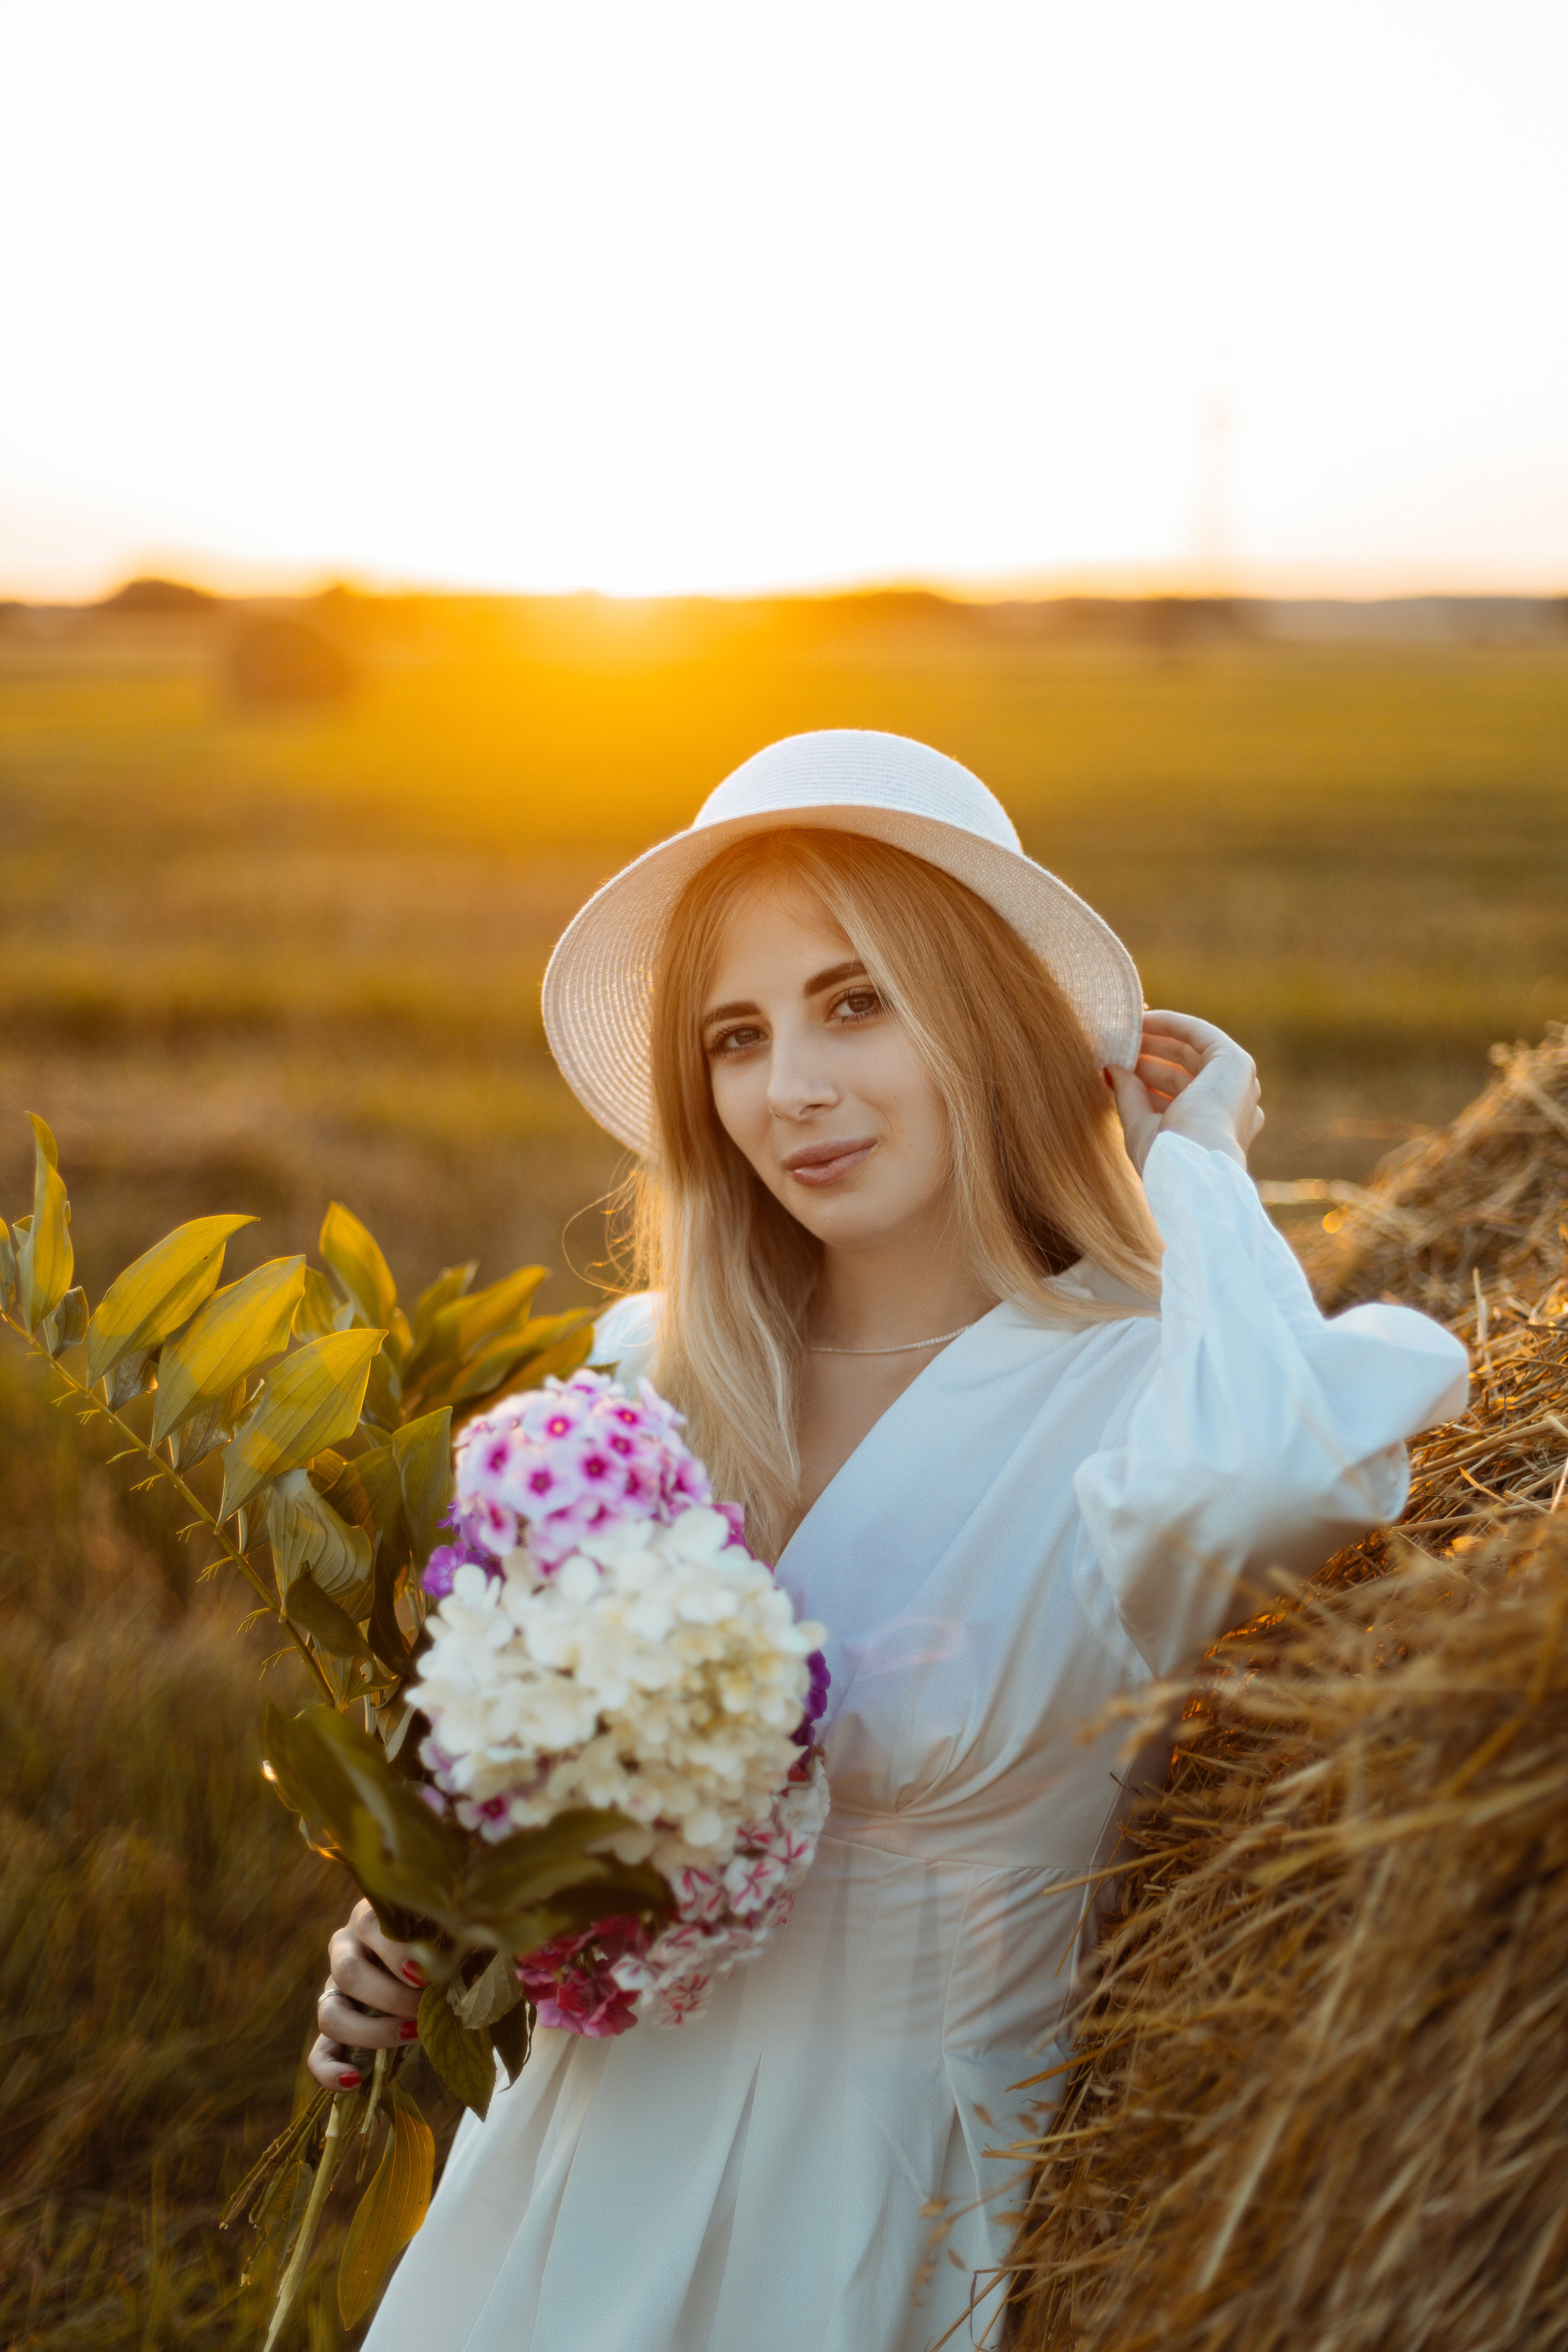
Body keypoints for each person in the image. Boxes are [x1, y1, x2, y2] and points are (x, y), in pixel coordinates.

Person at [311, 731, 1468, 2352]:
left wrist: (1202, 1165)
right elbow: (542, 1785)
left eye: (856, 1002)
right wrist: (430, 1911)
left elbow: (1268, 1486)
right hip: (573, 2176)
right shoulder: (652, 1378)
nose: (792, 1089)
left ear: (986, 1016)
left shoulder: (1131, 1391)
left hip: (883, 2210)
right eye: (738, 1034)